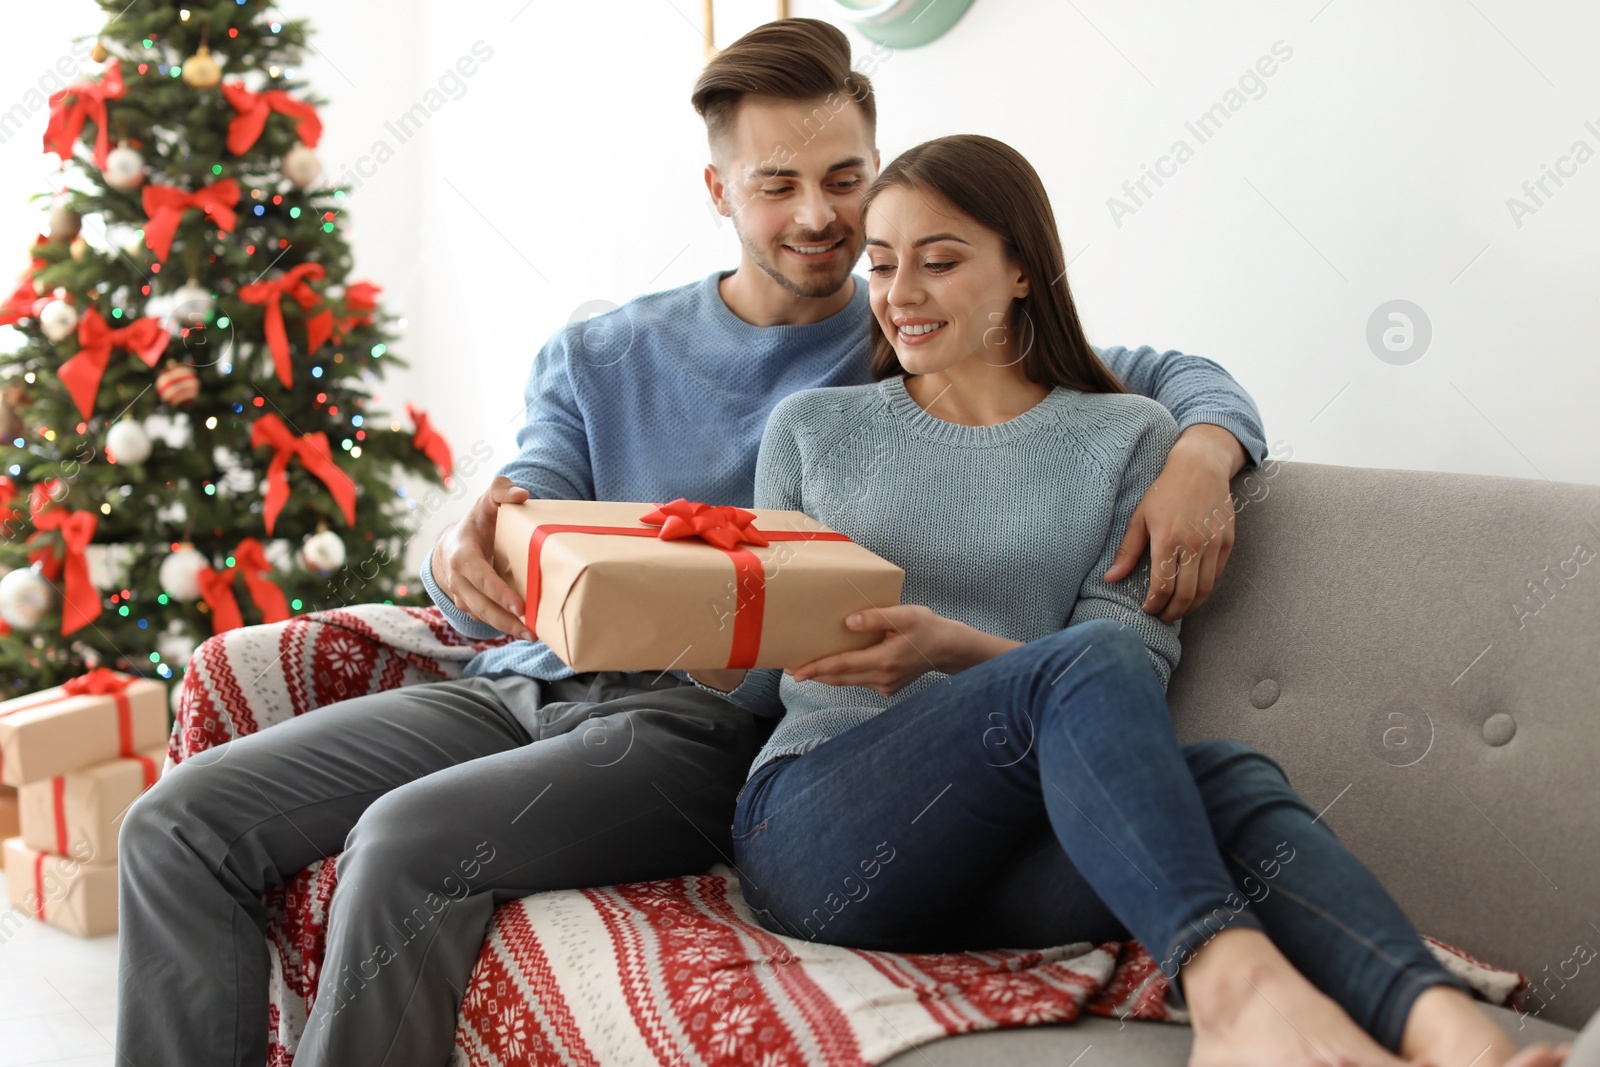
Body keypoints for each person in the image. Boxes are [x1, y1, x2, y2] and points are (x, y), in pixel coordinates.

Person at [115, 20, 1269, 1067]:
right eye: (778, 185)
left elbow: (1157, 375)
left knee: (403, 846)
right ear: (718, 189)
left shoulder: (912, 336)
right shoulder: (600, 353)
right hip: (520, 686)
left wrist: (1204, 455)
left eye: (843, 181)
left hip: (701, 723)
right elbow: (517, 536)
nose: (818, 216)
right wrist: (465, 548)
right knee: (176, 823)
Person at [687, 133, 1570, 1067]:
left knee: (1225, 775)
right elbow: (751, 681)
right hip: (822, 831)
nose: (900, 292)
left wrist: (955, 643)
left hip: (1005, 864)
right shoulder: (814, 429)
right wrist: (700, 639)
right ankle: (1233, 995)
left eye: (939, 262)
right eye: (882, 264)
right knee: (1089, 671)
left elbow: (1127, 675)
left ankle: (1460, 1039)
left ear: (1022, 269)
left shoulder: (1126, 436)